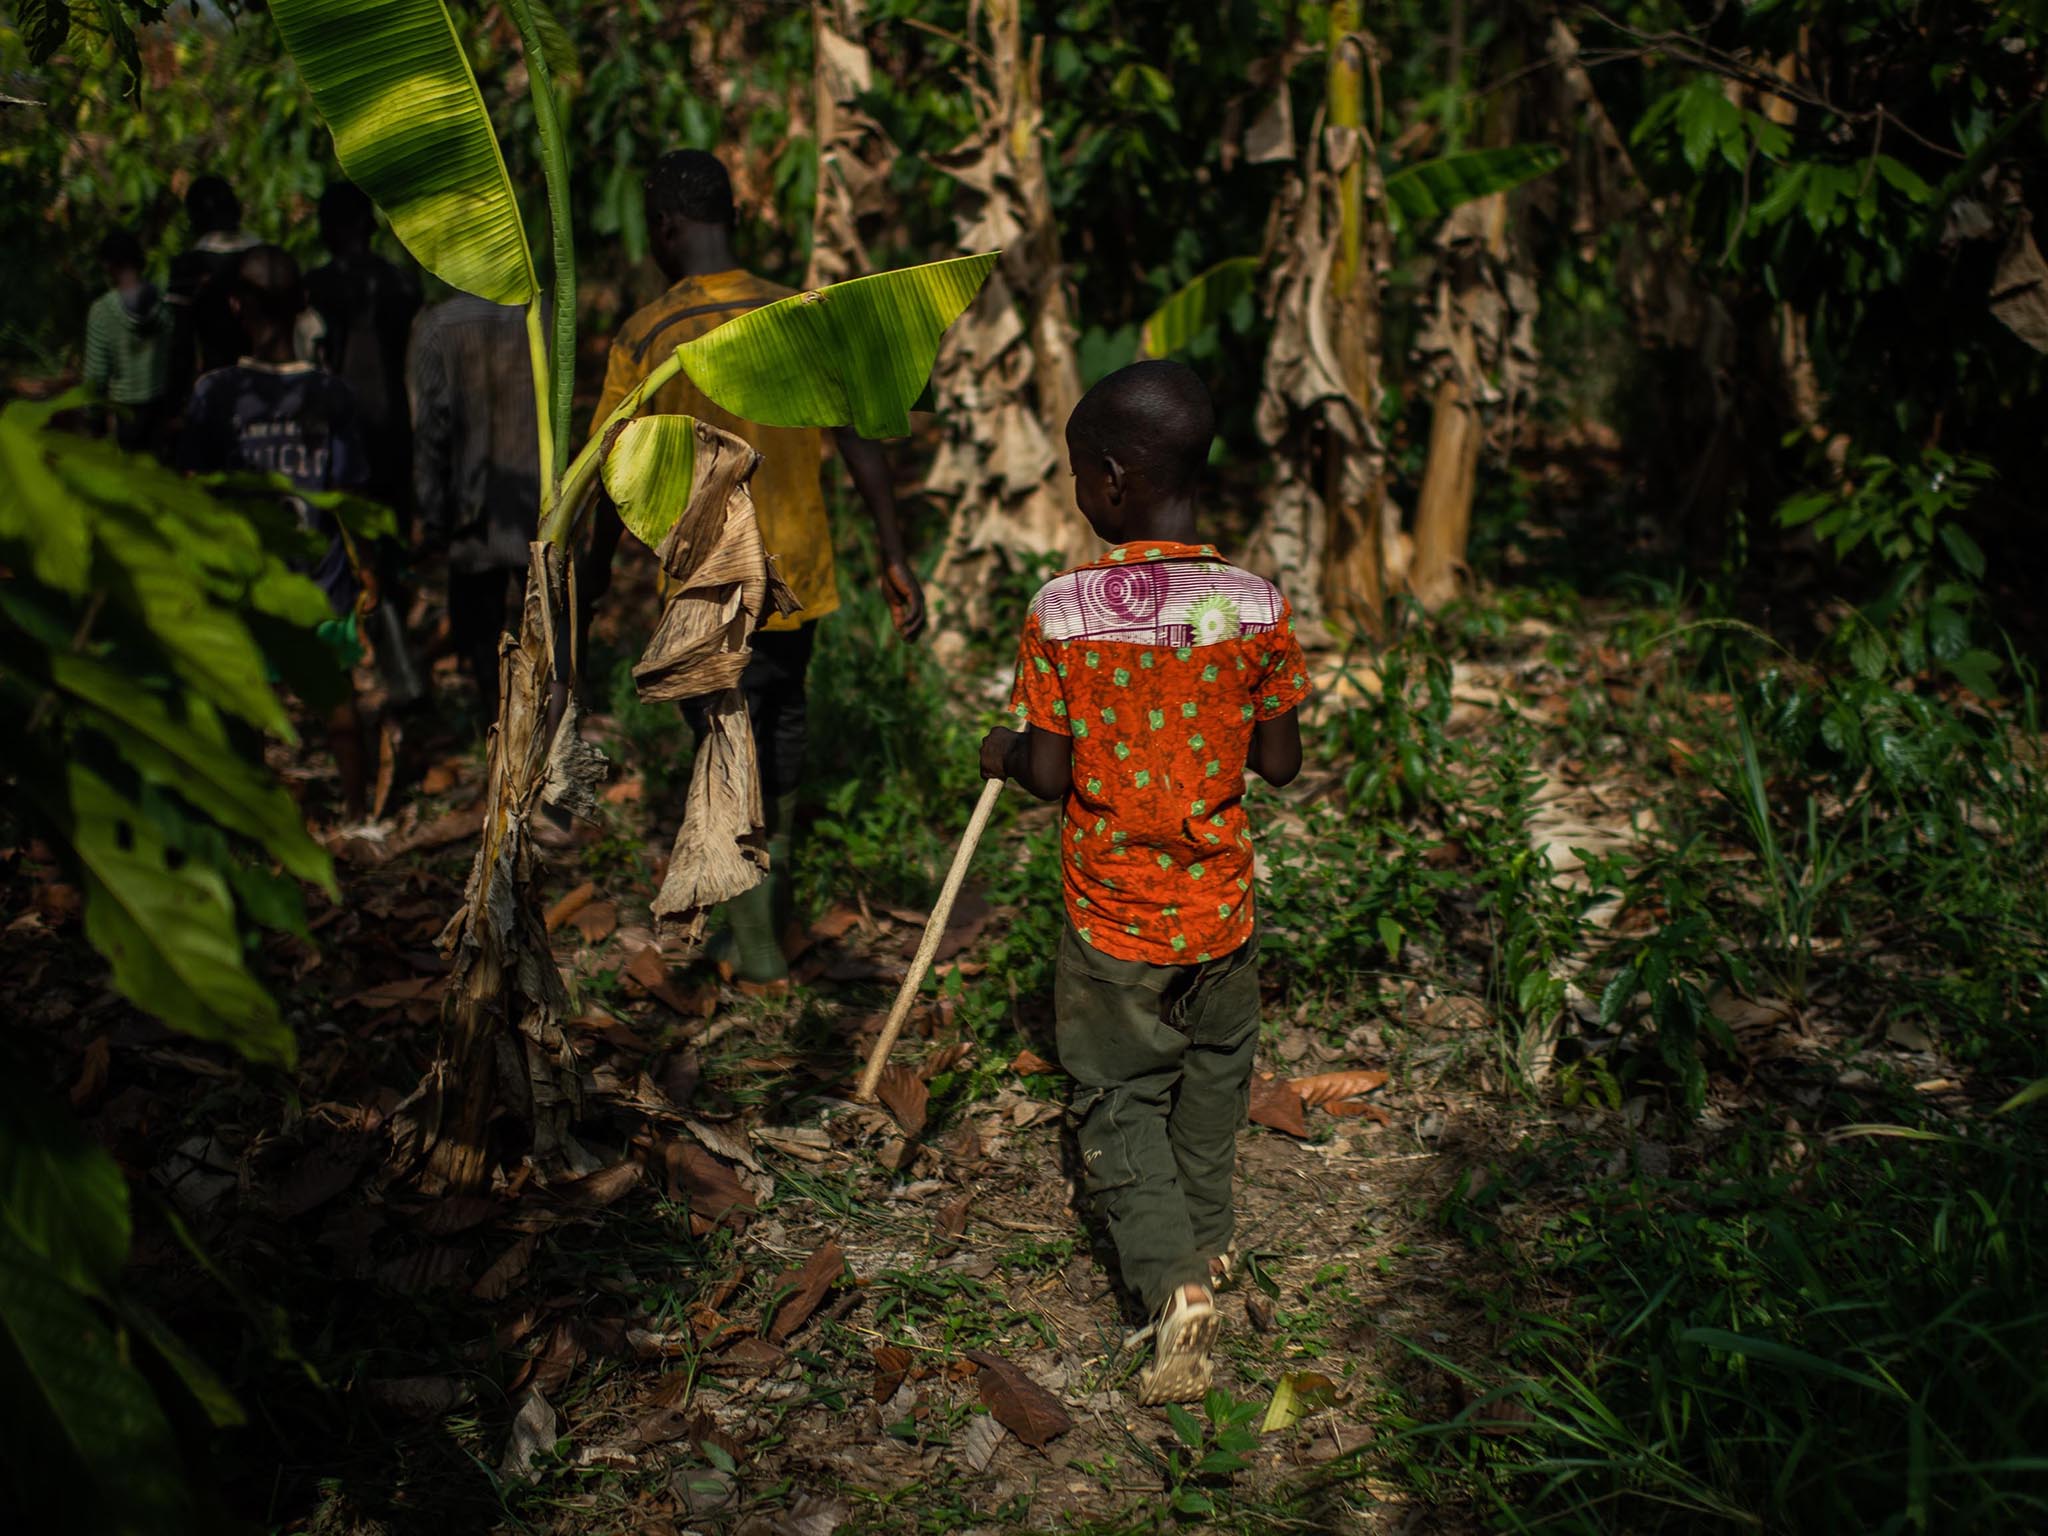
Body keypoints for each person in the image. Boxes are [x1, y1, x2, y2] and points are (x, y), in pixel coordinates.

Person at [977, 360, 1310, 1405]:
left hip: (1112, 915)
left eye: (1079, 477)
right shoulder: (1254, 604)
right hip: (1219, 909)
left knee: (1117, 1090)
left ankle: (1169, 1284)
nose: (1080, 495)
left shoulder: (1065, 609)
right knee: (1212, 1076)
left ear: (1113, 480)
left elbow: (1048, 775)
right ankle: (1206, 1244)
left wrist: (998, 750)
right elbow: (1281, 762)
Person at [582, 148, 926, 990]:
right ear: (729, 216)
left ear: (665, 227)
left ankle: (758, 944)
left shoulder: (649, 333)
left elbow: (606, 470)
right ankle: (763, 925)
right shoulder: (796, 313)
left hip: (706, 583)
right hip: (795, 569)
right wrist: (892, 551)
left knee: (722, 748)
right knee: (781, 732)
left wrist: (588, 581)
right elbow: (855, 438)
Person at [178, 245, 373, 824]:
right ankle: (357, 812)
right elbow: (350, 496)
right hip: (322, 580)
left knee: (244, 710)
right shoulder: (330, 393)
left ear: (237, 307)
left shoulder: (215, 394)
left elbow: (193, 488)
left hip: (247, 584)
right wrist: (372, 570)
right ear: (303, 304)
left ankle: (252, 818)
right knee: (336, 699)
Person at [308, 181, 428, 720]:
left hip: (347, 433)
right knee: (390, 548)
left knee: (354, 554)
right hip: (393, 433)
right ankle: (396, 669)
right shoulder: (397, 282)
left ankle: (381, 674)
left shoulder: (320, 287)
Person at [408, 292, 541, 718]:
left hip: (475, 511)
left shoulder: (438, 326)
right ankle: (540, 723)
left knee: (482, 639)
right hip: (539, 507)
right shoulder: (541, 315)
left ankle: (496, 720)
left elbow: (431, 430)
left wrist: (432, 516)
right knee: (547, 630)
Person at [166, 174, 256, 401]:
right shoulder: (267, 258)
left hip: (217, 379)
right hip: (267, 380)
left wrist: (175, 400)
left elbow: (182, 343)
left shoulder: (188, 266)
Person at [82, 229, 171, 454]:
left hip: (126, 416)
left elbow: (96, 376)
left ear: (107, 265)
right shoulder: (165, 302)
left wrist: (94, 420)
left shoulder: (102, 311)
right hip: (165, 410)